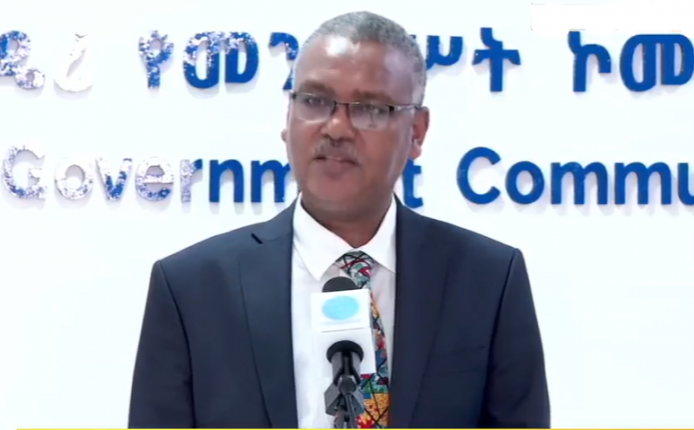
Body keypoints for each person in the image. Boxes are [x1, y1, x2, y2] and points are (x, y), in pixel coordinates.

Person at [128, 10, 549, 429]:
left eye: (371, 109)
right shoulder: (192, 290)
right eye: (314, 101)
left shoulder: (488, 281)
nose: (336, 128)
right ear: (288, 118)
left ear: (417, 132)